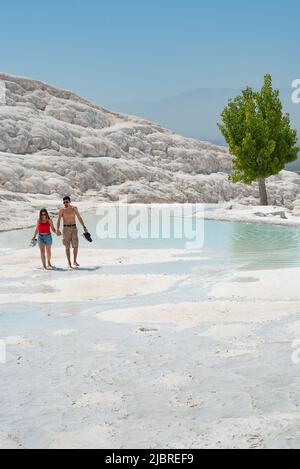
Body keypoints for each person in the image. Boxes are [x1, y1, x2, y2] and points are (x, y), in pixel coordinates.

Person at [57, 196, 88, 270]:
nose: (65, 203)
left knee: (76, 245)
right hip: (66, 229)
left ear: (70, 202)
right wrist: (57, 229)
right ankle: (69, 262)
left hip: (74, 228)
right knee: (67, 247)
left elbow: (79, 217)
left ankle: (74, 261)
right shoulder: (62, 210)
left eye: (67, 202)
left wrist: (84, 227)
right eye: (64, 202)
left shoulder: (74, 208)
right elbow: (58, 220)